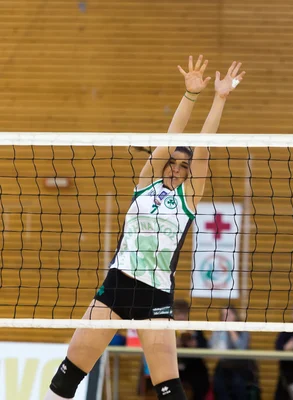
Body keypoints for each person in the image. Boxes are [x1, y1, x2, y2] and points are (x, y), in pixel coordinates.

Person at [44, 55, 246, 400]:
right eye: (173, 161)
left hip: (155, 295)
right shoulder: (146, 182)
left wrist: (220, 98)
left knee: (168, 387)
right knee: (67, 376)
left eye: (184, 166)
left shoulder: (189, 198)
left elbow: (203, 149)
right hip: (117, 285)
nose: (178, 168)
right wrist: (190, 95)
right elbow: (170, 136)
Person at [209, 307, 258, 400]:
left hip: (240, 367)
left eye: (229, 314)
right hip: (223, 366)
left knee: (239, 389)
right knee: (219, 389)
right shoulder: (218, 330)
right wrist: (221, 332)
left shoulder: (243, 329)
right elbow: (212, 347)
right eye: (224, 314)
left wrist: (231, 330)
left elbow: (241, 348)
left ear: (235, 315)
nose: (226, 317)